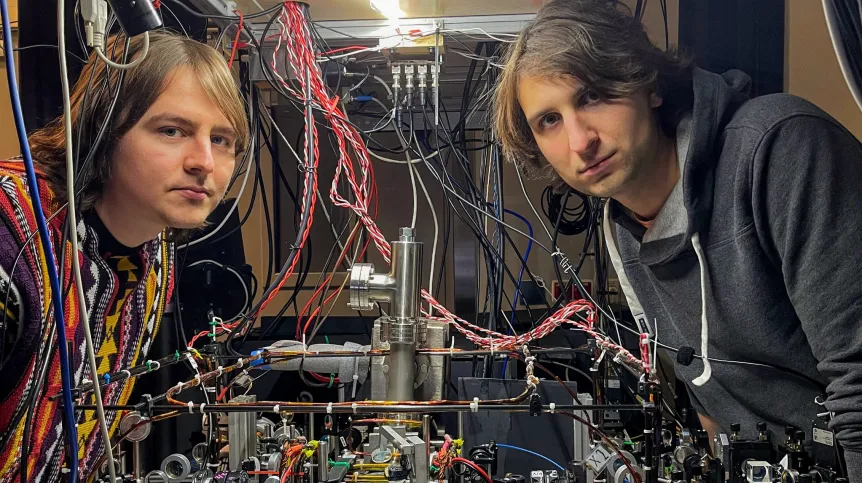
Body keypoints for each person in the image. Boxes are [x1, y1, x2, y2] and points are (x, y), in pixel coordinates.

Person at [493, 0, 862, 481]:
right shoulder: (621, 227)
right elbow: (712, 407)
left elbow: (858, 385)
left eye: (592, 96)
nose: (580, 141)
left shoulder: (781, 149)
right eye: (549, 120)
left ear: (647, 84)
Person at [0, 31, 248, 480]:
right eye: (172, 131)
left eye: (222, 140)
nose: (204, 162)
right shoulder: (12, 237)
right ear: (101, 132)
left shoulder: (154, 257)